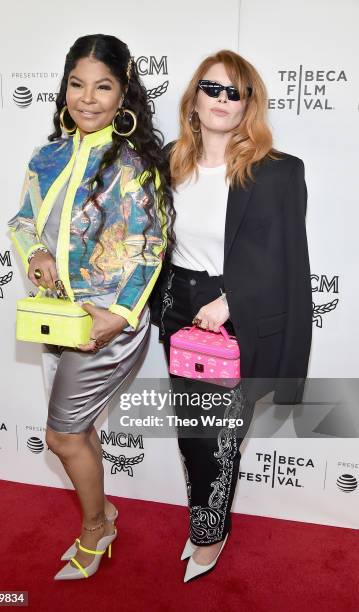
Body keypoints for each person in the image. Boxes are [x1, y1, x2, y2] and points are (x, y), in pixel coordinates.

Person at [7, 34, 169, 581]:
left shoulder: (135, 163)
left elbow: (151, 247)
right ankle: (104, 511)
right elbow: (23, 220)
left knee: (60, 436)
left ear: (124, 94)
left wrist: (119, 318)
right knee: (78, 431)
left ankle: (97, 528)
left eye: (103, 86)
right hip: (57, 316)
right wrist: (36, 256)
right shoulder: (46, 155)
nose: (87, 98)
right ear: (65, 87)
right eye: (78, 84)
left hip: (109, 323)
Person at [154, 49, 312, 582]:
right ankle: (207, 519)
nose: (222, 100)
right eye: (211, 88)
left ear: (249, 104)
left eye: (235, 91)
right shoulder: (168, 162)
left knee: (219, 436)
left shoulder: (278, 173)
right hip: (178, 310)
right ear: (193, 99)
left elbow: (286, 260)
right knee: (192, 432)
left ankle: (209, 533)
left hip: (233, 314)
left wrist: (232, 301)